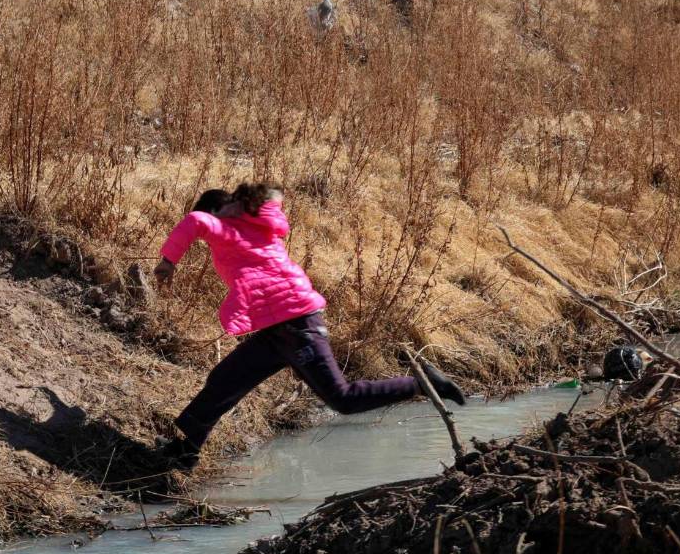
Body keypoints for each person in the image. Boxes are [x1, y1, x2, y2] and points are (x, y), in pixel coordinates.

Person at [154, 183, 466, 470]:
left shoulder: (224, 227)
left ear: (216, 211)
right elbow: (273, 194)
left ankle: (424, 383)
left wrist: (168, 261)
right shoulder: (258, 228)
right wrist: (246, 202)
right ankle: (186, 450)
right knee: (225, 379)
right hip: (278, 330)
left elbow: (195, 221)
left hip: (297, 325)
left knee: (342, 399)